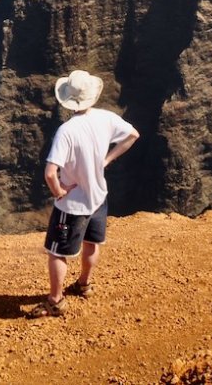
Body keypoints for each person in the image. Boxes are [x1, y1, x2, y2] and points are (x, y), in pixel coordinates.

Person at [29, 69, 139, 318]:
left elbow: (50, 172)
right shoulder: (105, 118)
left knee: (57, 253)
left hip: (73, 206)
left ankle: (55, 301)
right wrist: (106, 160)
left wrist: (59, 192)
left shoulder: (67, 131)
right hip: (99, 198)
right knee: (92, 243)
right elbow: (133, 135)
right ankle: (84, 284)